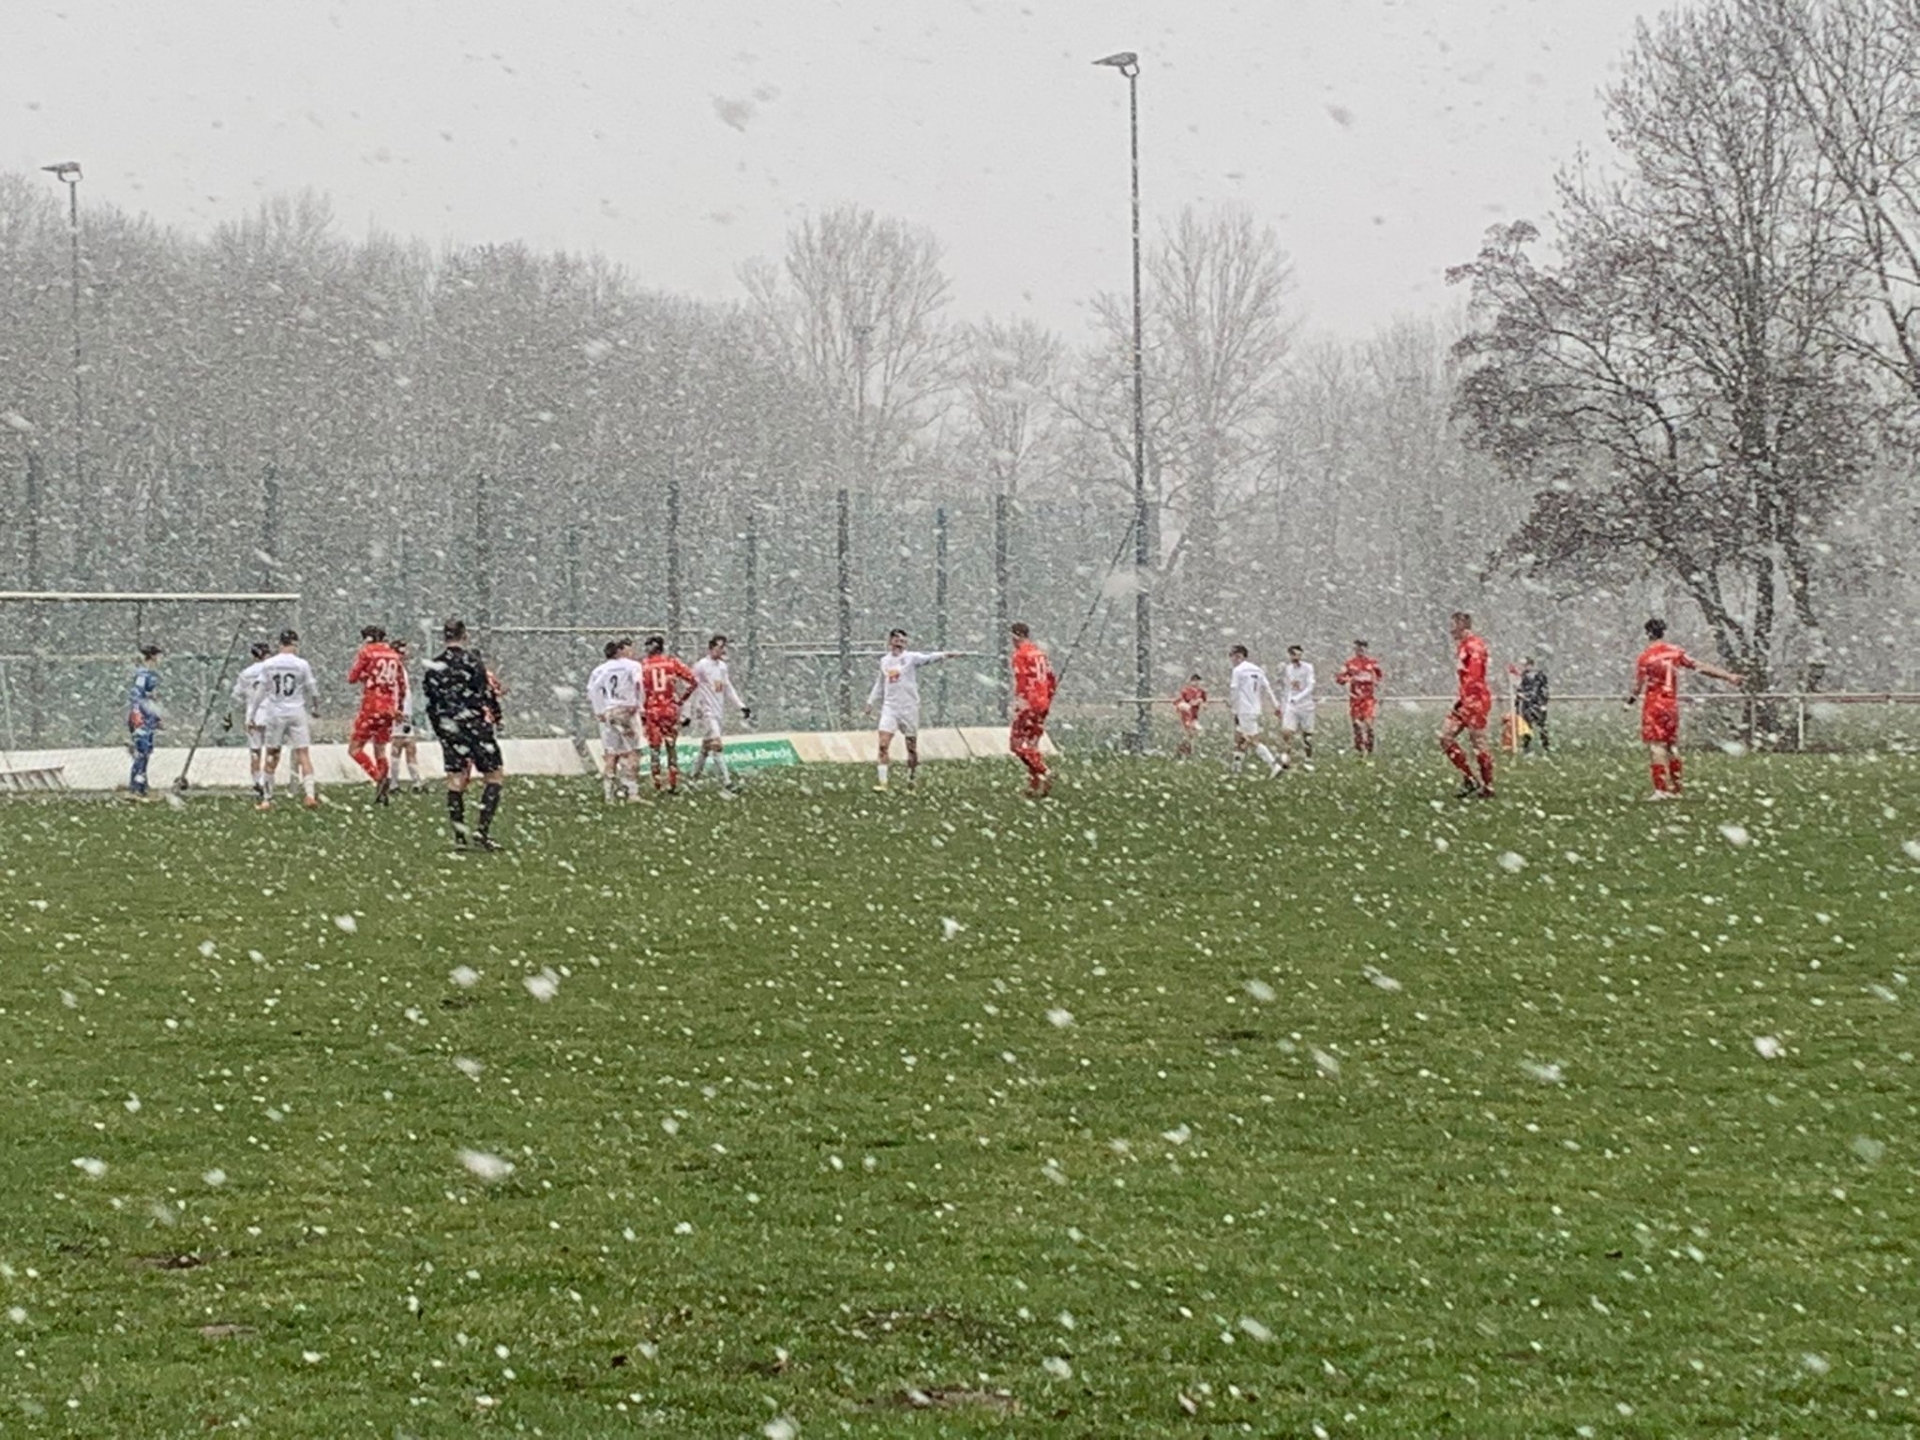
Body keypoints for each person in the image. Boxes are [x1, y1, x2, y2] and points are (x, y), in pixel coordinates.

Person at [1627, 618, 1743, 798]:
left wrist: (1630, 701)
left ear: (1647, 633)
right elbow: (1699, 666)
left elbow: (1638, 686)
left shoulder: (1646, 657)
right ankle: (1676, 789)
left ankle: (1661, 789)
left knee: (1657, 746)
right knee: (1672, 746)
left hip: (1654, 704)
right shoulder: (1675, 652)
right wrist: (1728, 676)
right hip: (1671, 704)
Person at [425, 617, 505, 848]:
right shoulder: (473, 662)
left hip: (450, 726)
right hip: (475, 724)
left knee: (455, 779)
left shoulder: (435, 666)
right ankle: (482, 830)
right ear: (465, 635)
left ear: (444, 637)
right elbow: (486, 694)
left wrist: (440, 728)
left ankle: (459, 836)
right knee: (494, 775)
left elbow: (430, 702)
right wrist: (496, 716)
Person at [867, 628, 955, 791]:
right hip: (890, 707)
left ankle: (911, 780)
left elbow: (929, 658)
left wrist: (945, 655)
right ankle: (883, 783)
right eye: (897, 640)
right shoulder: (885, 661)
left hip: (909, 708)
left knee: (911, 747)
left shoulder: (911, 658)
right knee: (883, 745)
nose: (900, 644)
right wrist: (871, 702)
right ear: (890, 641)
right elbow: (880, 683)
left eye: (903, 641)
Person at [255, 629, 321, 810]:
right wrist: (316, 707)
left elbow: (260, 691)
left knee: (272, 754)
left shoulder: (269, 664)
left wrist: (253, 713)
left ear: (279, 644)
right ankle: (309, 795)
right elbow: (313, 689)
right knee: (303, 753)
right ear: (295, 644)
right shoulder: (301, 664)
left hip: (275, 712)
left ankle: (267, 799)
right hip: (296, 711)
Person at [346, 624, 405, 803]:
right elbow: (401, 684)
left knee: (355, 749)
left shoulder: (367, 652)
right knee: (380, 749)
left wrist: (365, 676)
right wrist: (399, 707)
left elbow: (352, 678)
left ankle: (377, 777)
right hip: (389, 708)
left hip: (372, 706)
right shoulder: (394, 655)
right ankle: (382, 789)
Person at [1439, 611, 1495, 799]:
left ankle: (1488, 786)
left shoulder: (1474, 646)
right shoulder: (1463, 646)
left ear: (1462, 625)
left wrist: (1470, 700)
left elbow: (1475, 676)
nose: (1450, 630)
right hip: (1465, 700)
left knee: (1478, 741)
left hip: (1476, 700)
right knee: (1445, 737)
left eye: (1453, 625)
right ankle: (1470, 778)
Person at [687, 634, 751, 789]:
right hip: (707, 711)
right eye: (720, 647)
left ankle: (693, 778)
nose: (722, 650)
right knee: (717, 745)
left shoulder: (722, 666)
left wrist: (740, 705)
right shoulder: (701, 666)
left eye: (724, 647)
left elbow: (727, 687)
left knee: (706, 746)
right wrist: (691, 710)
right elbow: (691, 687)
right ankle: (727, 782)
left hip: (718, 711)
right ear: (711, 648)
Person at [587, 638, 644, 803]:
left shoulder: (600, 669)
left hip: (608, 713)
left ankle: (608, 794)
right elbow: (638, 683)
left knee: (611, 753)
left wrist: (599, 710)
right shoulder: (632, 666)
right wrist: (638, 704)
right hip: (626, 711)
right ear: (620, 651)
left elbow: (592, 689)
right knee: (633, 751)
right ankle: (632, 792)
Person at [640, 635, 697, 792]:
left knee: (654, 747)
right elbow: (693, 681)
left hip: (652, 709)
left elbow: (639, 689)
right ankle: (673, 781)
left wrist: (642, 708)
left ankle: (657, 782)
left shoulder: (643, 665)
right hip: (669, 708)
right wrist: (681, 700)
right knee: (671, 746)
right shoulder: (672, 663)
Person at [1008, 621, 1057, 796]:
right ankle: (1034, 785)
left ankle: (1044, 771)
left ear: (1015, 636)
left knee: (1017, 744)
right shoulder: (1039, 653)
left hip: (1029, 702)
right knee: (1032, 744)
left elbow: (1022, 681)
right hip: (1042, 702)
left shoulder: (1020, 655)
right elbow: (1051, 678)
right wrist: (1047, 698)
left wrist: (1020, 703)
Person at [223, 640, 274, 801]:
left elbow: (236, 695)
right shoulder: (272, 670)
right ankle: (267, 782)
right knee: (271, 751)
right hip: (271, 713)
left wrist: (229, 714)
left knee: (255, 750)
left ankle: (256, 780)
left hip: (252, 715)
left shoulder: (246, 673)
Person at [1227, 644, 1283, 780]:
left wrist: (1232, 706)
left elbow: (1234, 690)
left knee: (1252, 740)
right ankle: (1236, 769)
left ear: (1239, 656)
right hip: (1255, 708)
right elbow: (1268, 688)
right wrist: (1276, 705)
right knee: (1239, 738)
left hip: (1244, 709)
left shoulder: (1238, 671)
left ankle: (1274, 764)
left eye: (1233, 656)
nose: (1232, 659)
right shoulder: (1257, 669)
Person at [126, 642, 164, 800]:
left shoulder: (150, 674)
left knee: (145, 753)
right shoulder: (143, 675)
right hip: (141, 719)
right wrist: (137, 715)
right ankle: (135, 788)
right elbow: (138, 697)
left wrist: (156, 717)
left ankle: (142, 786)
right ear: (153, 656)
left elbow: (150, 700)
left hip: (148, 719)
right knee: (141, 753)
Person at [1334, 639, 1383, 758]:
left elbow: (1379, 677)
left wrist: (1376, 683)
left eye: (1362, 648)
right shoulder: (1350, 664)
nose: (1360, 650)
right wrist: (1347, 679)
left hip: (1368, 699)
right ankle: (1359, 749)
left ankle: (1369, 748)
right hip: (1355, 699)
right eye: (1357, 648)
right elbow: (1339, 678)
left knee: (1368, 724)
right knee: (1357, 725)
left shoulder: (1372, 663)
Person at [390, 636, 425, 790]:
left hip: (405, 711)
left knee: (408, 745)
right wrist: (398, 710)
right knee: (400, 743)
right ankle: (395, 782)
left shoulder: (400, 668)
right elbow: (397, 691)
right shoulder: (395, 668)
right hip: (400, 711)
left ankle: (414, 781)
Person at [1279, 644, 1316, 769]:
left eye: (1299, 655)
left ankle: (1308, 758)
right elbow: (1287, 688)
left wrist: (1298, 698)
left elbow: (1310, 686)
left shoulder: (1308, 668)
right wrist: (1283, 705)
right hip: (1292, 706)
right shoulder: (1288, 669)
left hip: (1306, 706)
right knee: (1287, 732)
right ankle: (1286, 760)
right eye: (1294, 655)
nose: (1296, 657)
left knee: (1307, 735)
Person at [1517, 657, 1550, 754]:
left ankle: (1545, 746)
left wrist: (1542, 702)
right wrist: (1520, 696)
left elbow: (1543, 690)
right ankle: (1526, 747)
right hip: (1527, 705)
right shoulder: (1524, 676)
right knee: (1527, 726)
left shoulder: (1539, 676)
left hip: (1537, 704)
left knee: (1541, 726)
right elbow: (1521, 689)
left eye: (1526, 665)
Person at [1173, 674, 1207, 759]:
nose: (1196, 682)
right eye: (1194, 680)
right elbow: (1182, 702)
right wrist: (1192, 703)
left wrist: (1202, 704)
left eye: (1197, 681)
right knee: (1190, 732)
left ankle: (1184, 750)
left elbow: (1204, 702)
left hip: (1194, 715)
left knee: (1193, 734)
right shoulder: (1186, 691)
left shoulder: (1201, 692)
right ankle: (1184, 751)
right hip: (1187, 715)